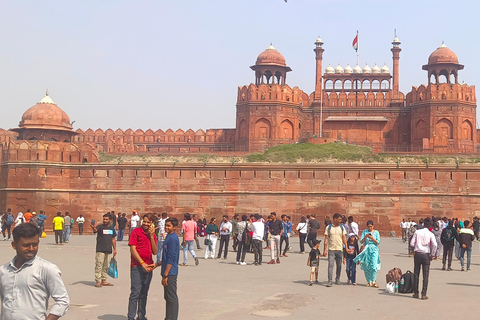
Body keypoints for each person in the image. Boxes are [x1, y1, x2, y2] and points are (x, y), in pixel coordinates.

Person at [0, 223, 70, 319]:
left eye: (35, 244)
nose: (31, 249)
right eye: (26, 245)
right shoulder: (4, 271)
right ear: (14, 245)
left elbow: (63, 301)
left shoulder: (47, 269)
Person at [127, 213, 158, 320]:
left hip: (149, 266)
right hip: (137, 266)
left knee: (144, 293)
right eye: (144, 221)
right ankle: (130, 317)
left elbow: (155, 251)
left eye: (148, 222)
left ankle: (141, 316)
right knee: (135, 292)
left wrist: (151, 237)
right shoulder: (136, 232)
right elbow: (132, 249)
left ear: (152, 224)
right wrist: (142, 263)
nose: (145, 224)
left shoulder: (152, 235)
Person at [410, 218, 437, 300]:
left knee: (416, 273)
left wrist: (417, 246)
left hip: (417, 254)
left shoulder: (417, 232)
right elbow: (435, 245)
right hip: (426, 255)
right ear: (429, 226)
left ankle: (416, 292)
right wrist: (432, 255)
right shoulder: (430, 234)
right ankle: (424, 294)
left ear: (423, 224)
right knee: (425, 275)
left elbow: (411, 243)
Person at [159, 217, 180, 320]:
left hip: (170, 272)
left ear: (175, 227)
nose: (166, 227)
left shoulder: (172, 238)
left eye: (169, 226)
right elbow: (166, 256)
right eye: (166, 225)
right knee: (168, 297)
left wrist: (165, 275)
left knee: (171, 297)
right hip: (167, 270)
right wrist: (158, 264)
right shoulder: (168, 237)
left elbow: (171, 258)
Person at [91, 213, 117, 288]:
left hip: (108, 249)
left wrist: (115, 249)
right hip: (100, 249)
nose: (105, 221)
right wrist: (93, 228)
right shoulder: (100, 227)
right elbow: (95, 230)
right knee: (99, 265)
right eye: (104, 219)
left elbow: (113, 239)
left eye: (106, 219)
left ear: (110, 220)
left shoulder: (111, 228)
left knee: (106, 266)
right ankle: (98, 280)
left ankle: (103, 280)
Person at [324, 213, 348, 287]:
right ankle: (330, 280)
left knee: (339, 265)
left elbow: (344, 237)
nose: (341, 220)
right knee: (330, 265)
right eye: (339, 219)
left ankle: (337, 279)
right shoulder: (329, 227)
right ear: (335, 219)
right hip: (331, 249)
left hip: (339, 249)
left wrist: (346, 248)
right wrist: (324, 249)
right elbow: (326, 239)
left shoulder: (341, 227)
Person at [353, 221, 380, 287]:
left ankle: (373, 280)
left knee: (373, 265)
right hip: (366, 250)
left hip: (374, 250)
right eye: (368, 226)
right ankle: (369, 281)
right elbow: (361, 241)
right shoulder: (365, 232)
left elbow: (378, 242)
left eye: (371, 226)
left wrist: (372, 238)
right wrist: (365, 237)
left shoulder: (376, 232)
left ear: (373, 226)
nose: (370, 228)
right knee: (366, 265)